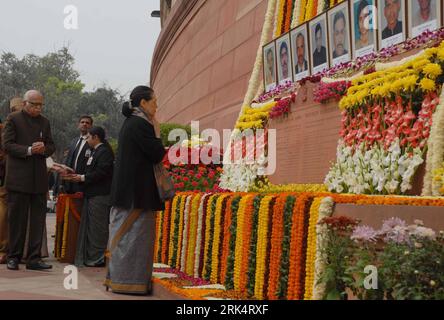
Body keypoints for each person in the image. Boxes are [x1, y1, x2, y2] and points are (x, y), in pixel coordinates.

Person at [105, 85, 165, 295]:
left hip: (129, 193)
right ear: (143, 103)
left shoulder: (131, 123)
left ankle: (121, 281)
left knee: (126, 239)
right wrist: (157, 133)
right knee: (134, 241)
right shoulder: (141, 124)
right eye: (154, 101)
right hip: (136, 195)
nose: (157, 105)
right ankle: (129, 282)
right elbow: (157, 154)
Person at [2, 90, 56, 271]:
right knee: (17, 220)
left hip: (39, 179)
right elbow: (7, 145)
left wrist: (44, 149)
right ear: (25, 103)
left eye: (41, 105)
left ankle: (34, 258)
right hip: (18, 178)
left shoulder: (45, 122)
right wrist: (30, 150)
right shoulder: (13, 119)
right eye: (34, 104)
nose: (38, 108)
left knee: (37, 220)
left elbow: (51, 146)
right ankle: (14, 257)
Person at [63, 126, 114, 268]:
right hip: (92, 194)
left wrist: (82, 177)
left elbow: (102, 173)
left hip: (100, 195)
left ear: (95, 137)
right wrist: (77, 176)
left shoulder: (104, 152)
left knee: (98, 228)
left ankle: (97, 258)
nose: (87, 140)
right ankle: (90, 257)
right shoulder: (95, 151)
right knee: (91, 228)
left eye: (89, 137)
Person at [64, 116, 93, 194]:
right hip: (69, 183)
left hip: (83, 184)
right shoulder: (74, 141)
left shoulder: (93, 142)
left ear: (91, 126)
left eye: (87, 123)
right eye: (82, 122)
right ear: (78, 125)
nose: (84, 124)